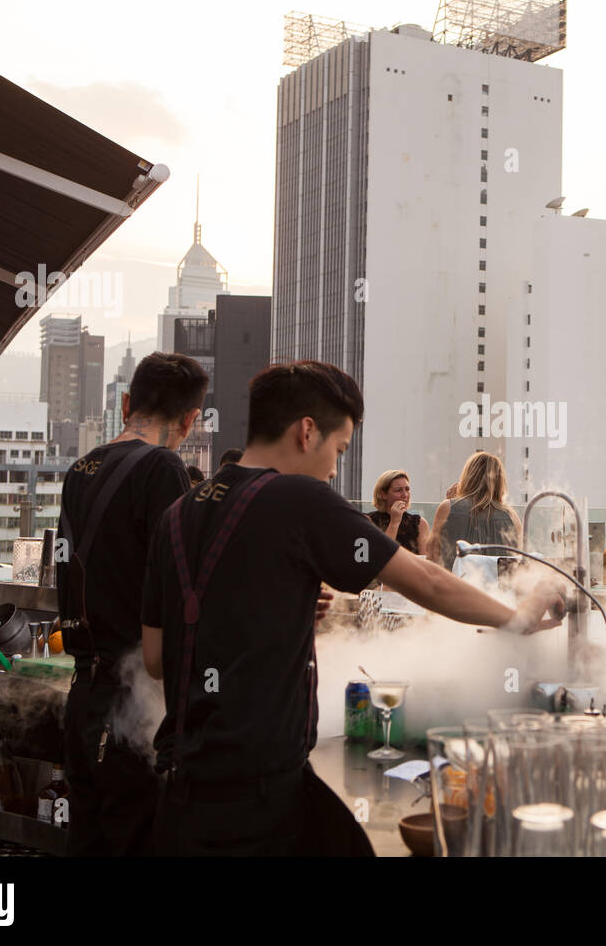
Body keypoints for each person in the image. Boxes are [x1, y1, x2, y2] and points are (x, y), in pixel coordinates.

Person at [141, 361, 565, 856]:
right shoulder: (298, 497)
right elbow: (425, 579)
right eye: (339, 449)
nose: (335, 469)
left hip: (182, 792)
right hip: (255, 799)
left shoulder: (178, 513)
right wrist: (516, 616)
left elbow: (157, 659)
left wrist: (279, 608)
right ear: (306, 431)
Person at [56, 352, 208, 856]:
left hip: (82, 697)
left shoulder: (81, 468)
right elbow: (179, 588)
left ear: (126, 404)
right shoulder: (163, 466)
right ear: (191, 419)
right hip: (133, 705)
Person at [428, 452, 523, 570]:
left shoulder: (447, 508)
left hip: (453, 586)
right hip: (496, 588)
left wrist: (453, 503)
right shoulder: (512, 517)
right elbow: (518, 565)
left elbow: (432, 558)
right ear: (499, 481)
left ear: (468, 476)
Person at [366, 469, 431, 555]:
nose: (405, 495)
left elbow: (425, 560)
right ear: (383, 494)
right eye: (398, 490)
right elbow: (380, 556)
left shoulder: (420, 524)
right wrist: (394, 522)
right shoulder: (369, 521)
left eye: (407, 489)